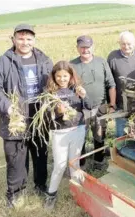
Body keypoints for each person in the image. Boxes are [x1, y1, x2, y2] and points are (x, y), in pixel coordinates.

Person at [0, 24, 53, 208]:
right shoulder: (2, 63)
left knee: (40, 155)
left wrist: (51, 99)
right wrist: (7, 107)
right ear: (13, 39)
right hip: (15, 121)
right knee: (16, 160)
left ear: (34, 41)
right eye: (21, 38)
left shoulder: (45, 60)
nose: (25, 42)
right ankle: (16, 194)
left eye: (29, 39)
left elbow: (52, 84)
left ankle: (40, 186)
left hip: (39, 120)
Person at [43, 61, 90, 209]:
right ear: (54, 77)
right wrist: (58, 111)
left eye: (65, 76)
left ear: (70, 76)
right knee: (60, 165)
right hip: (60, 133)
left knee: (74, 164)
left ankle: (78, 193)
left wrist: (85, 96)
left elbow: (88, 106)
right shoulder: (50, 93)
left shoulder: (76, 89)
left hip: (78, 129)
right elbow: (46, 116)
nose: (62, 79)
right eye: (58, 76)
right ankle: (50, 195)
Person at [70, 35, 116, 170]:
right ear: (77, 48)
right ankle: (81, 164)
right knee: (80, 138)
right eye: (82, 47)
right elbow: (67, 87)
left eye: (88, 47)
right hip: (80, 109)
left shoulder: (101, 62)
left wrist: (112, 105)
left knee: (100, 135)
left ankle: (99, 162)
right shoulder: (72, 65)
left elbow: (111, 85)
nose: (85, 50)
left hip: (100, 106)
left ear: (93, 47)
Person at [107, 31, 135, 138]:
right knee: (121, 133)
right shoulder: (112, 57)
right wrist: (110, 104)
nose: (126, 47)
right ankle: (120, 152)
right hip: (121, 103)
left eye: (129, 44)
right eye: (123, 44)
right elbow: (108, 81)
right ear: (119, 43)